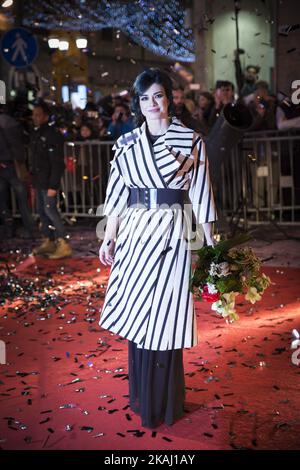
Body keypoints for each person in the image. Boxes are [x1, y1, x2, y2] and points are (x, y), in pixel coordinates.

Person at [98, 68, 217, 428]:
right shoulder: (126, 143)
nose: (152, 103)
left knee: (165, 316)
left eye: (159, 95)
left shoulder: (191, 140)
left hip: (173, 233)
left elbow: (202, 196)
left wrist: (215, 248)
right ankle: (140, 396)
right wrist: (109, 236)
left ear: (170, 98)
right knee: (138, 314)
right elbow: (117, 194)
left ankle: (164, 404)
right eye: (145, 97)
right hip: (134, 233)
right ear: (138, 102)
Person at [29, 101, 72, 259]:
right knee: (42, 212)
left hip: (49, 183)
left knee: (51, 211)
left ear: (46, 116)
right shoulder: (37, 133)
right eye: (34, 114)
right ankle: (50, 240)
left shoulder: (52, 135)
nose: (35, 117)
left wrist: (53, 185)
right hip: (40, 182)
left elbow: (57, 163)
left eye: (38, 114)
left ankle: (63, 244)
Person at [0, 104, 35, 238]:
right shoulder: (11, 123)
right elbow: (20, 143)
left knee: (3, 200)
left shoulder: (5, 124)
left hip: (5, 165)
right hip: (14, 164)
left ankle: (9, 228)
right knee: (22, 199)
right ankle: (30, 227)